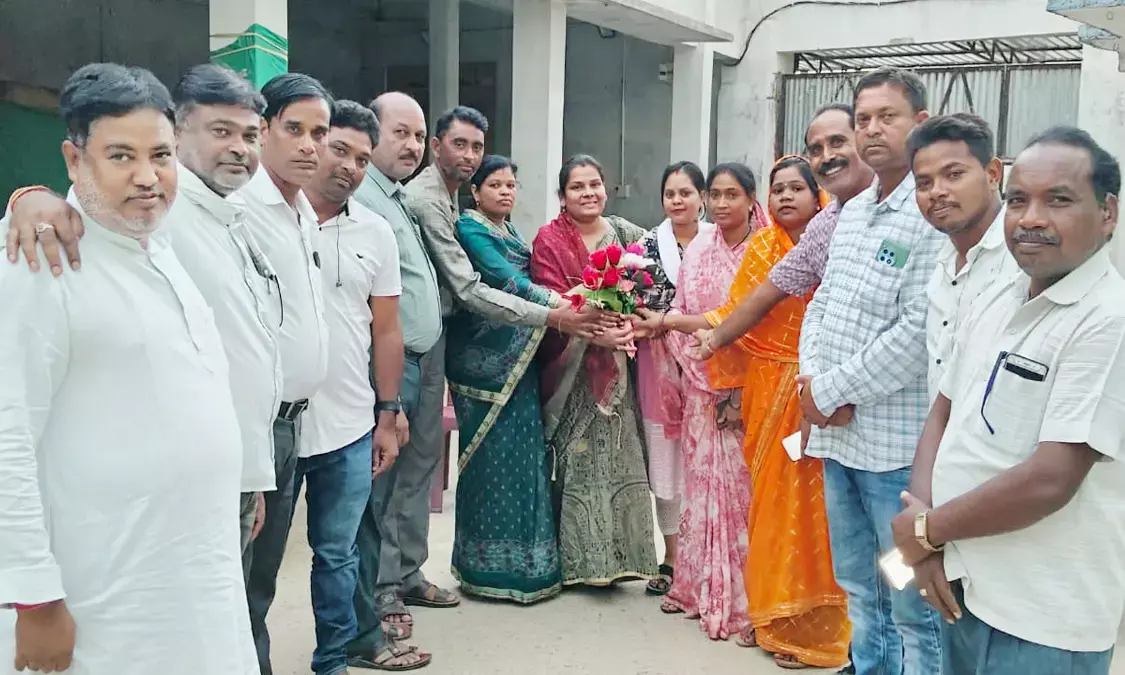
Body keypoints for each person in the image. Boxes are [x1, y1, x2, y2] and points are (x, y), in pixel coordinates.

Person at [0, 62, 256, 674]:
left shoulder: (161, 249)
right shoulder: (39, 263)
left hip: (197, 576)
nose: (148, 177)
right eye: (120, 156)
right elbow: (8, 434)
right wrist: (32, 596)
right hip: (102, 592)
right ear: (73, 159)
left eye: (161, 155)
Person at [893, 126, 1125, 675]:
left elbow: (1052, 477)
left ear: (1108, 213)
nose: (1031, 218)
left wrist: (927, 531)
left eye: (1059, 200)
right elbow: (945, 411)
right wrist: (927, 542)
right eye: (1019, 200)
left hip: (1041, 618)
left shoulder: (1107, 321)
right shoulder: (1000, 295)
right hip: (966, 586)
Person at [797, 67, 943, 675]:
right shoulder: (852, 212)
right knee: (858, 582)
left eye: (888, 117)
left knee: (910, 596)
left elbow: (916, 332)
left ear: (921, 124)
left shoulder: (932, 211)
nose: (872, 131)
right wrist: (810, 383)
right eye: (863, 120)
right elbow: (822, 304)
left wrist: (829, 389)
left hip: (896, 456)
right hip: (840, 443)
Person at [297, 99, 428, 674]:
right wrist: (34, 201)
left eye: (360, 157)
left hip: (350, 420)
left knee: (340, 551)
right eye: (338, 148)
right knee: (256, 557)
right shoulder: (265, 214)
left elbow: (387, 329)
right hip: (273, 423)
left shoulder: (374, 230)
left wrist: (388, 410)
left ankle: (337, 657)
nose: (349, 165)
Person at [708, 157, 851, 668]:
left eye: (798, 188)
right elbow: (735, 316)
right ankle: (770, 616)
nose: (786, 197)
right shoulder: (763, 250)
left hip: (823, 388)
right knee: (768, 505)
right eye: (778, 189)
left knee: (820, 511)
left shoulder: (842, 241)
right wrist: (728, 393)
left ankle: (822, 625)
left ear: (819, 197)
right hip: (768, 388)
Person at [238, 72, 334, 675]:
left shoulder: (301, 213)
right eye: (293, 129)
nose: (308, 145)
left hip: (290, 427)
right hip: (252, 426)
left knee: (262, 580)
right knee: (236, 578)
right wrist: (28, 198)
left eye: (318, 133)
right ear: (264, 129)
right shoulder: (240, 208)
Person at [530, 154, 659, 586]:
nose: (588, 193)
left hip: (621, 364)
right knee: (578, 461)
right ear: (563, 197)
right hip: (573, 372)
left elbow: (652, 285)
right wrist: (593, 333)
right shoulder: (550, 240)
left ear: (606, 187)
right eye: (577, 187)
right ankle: (580, 564)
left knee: (623, 456)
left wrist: (629, 325)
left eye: (594, 184)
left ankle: (626, 558)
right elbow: (549, 300)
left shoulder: (628, 235)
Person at [643, 162, 759, 640]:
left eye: (733, 194)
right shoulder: (699, 251)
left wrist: (735, 386)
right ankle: (698, 584)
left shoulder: (764, 250)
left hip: (750, 387)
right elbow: (686, 311)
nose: (723, 203)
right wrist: (668, 326)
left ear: (753, 199)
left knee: (743, 494)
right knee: (701, 489)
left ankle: (747, 593)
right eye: (716, 194)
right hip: (698, 384)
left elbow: (750, 321)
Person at [445, 155, 564, 603]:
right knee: (487, 463)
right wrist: (561, 305)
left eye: (511, 185)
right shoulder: (471, 230)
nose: (505, 192)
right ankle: (484, 569)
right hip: (485, 364)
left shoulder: (510, 231)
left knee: (524, 458)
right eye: (495, 184)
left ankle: (528, 566)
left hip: (521, 355)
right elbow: (504, 280)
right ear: (475, 192)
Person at [348, 91, 437, 668]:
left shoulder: (397, 198)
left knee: (410, 476)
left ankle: (399, 578)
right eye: (400, 133)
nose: (411, 145)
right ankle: (378, 597)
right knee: (376, 487)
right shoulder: (362, 197)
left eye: (417, 135)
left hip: (417, 358)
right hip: (386, 365)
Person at [692, 103, 874, 367]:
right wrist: (714, 339)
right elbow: (770, 290)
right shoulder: (824, 226)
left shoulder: (911, 208)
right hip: (820, 379)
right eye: (815, 150)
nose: (827, 156)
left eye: (838, 142)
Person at [632, 161, 710, 596]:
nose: (677, 201)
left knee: (708, 458)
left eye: (686, 192)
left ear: (702, 197)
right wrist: (660, 322)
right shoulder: (645, 245)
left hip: (707, 358)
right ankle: (672, 556)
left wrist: (670, 320)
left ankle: (706, 555)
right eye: (670, 194)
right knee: (665, 458)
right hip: (657, 363)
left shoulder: (719, 243)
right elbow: (636, 304)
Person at [909, 113, 1018, 401]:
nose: (937, 192)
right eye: (924, 183)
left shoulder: (1024, 261)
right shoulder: (941, 260)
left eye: (954, 174)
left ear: (993, 174)